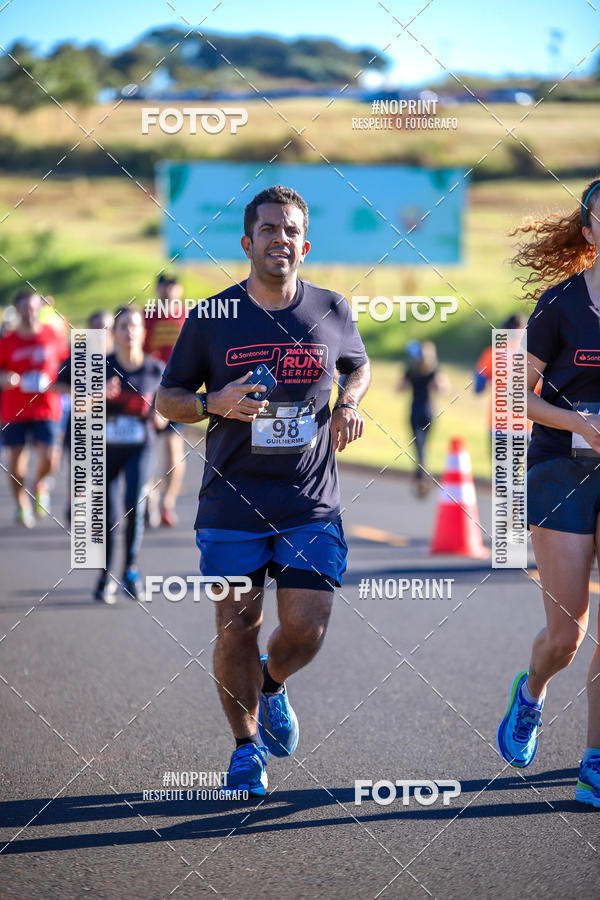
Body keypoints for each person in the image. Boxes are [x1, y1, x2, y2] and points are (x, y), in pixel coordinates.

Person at [157, 184, 370, 797]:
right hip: (232, 502)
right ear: (247, 243)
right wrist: (212, 402)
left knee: (307, 628)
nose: (281, 238)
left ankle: (272, 684)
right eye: (269, 229)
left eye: (291, 230)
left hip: (309, 500)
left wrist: (348, 404)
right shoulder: (212, 317)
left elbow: (357, 365)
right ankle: (246, 749)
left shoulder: (332, 308)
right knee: (236, 629)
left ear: (306, 244)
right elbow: (167, 398)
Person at [496, 177, 600, 808]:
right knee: (567, 638)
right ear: (589, 231)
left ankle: (595, 760)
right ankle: (532, 690)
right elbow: (514, 395)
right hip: (562, 470)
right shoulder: (560, 304)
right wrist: (580, 424)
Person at [95, 305, 165, 603]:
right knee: (109, 514)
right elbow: (78, 409)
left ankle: (130, 572)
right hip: (106, 449)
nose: (129, 331)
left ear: (143, 332)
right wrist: (98, 396)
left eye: (134, 325)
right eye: (123, 326)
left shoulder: (155, 369)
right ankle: (105, 576)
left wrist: (159, 416)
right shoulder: (101, 367)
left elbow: (167, 411)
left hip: (140, 447)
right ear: (115, 332)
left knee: (134, 505)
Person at [0, 288, 68, 527]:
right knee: (16, 463)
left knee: (50, 458)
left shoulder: (52, 335)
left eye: (32, 307)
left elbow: (67, 364)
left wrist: (61, 383)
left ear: (40, 308)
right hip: (15, 409)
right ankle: (22, 505)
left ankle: (38, 484)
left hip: (46, 406)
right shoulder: (7, 340)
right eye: (24, 308)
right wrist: (6, 379)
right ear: (17, 310)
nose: (29, 312)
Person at [55, 310, 114, 523]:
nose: (101, 332)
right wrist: (79, 392)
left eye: (106, 328)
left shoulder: (121, 358)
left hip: (112, 425)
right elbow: (57, 385)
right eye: (96, 327)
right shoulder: (79, 356)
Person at [143, 275, 187, 526]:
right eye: (165, 285)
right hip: (149, 391)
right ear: (157, 289)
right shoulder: (146, 317)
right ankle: (149, 498)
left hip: (178, 390)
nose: (169, 290)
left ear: (179, 290)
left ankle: (167, 504)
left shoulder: (187, 317)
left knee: (173, 448)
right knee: (147, 448)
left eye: (173, 285)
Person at [399, 340, 448, 497]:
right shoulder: (432, 371)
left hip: (416, 412)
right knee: (422, 445)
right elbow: (443, 388)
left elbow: (400, 388)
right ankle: (422, 477)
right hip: (428, 412)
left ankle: (421, 478)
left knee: (419, 446)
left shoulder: (411, 371)